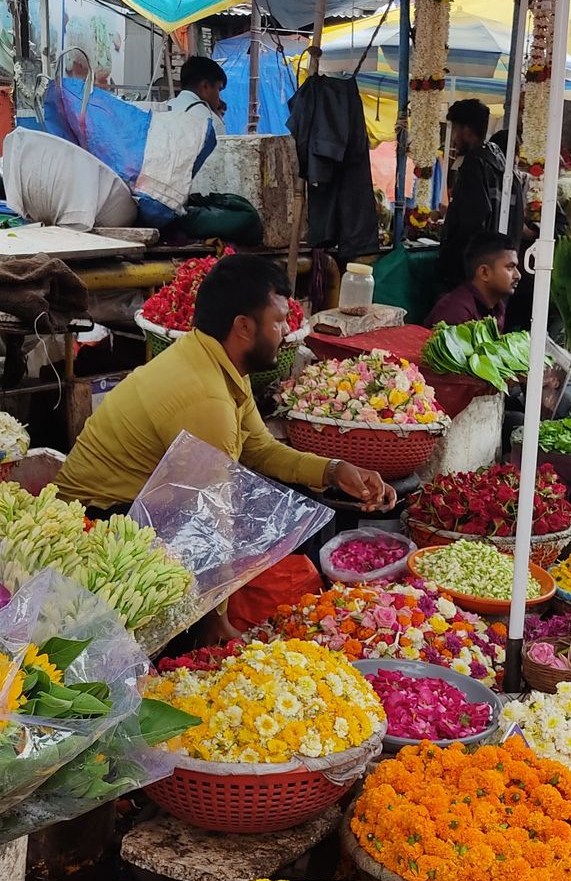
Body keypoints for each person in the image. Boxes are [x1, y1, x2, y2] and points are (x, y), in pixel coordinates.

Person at [55, 256, 396, 627]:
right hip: (101, 521)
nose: (286, 332)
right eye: (278, 321)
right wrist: (215, 620)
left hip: (149, 502)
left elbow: (259, 449)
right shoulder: (206, 397)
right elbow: (207, 518)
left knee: (304, 506)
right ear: (244, 327)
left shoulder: (216, 360)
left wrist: (333, 471)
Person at [438, 99, 524, 289]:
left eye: (455, 131)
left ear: (466, 130)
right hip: (498, 264)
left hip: (476, 271)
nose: (453, 139)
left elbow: (471, 220)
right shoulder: (504, 166)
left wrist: (450, 259)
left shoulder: (475, 164)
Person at [425, 232, 520, 329]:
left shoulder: (497, 308)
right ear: (484, 272)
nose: (518, 275)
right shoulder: (455, 311)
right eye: (510, 267)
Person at [167, 56, 227, 136]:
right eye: (219, 89)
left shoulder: (162, 110)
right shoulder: (211, 121)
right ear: (205, 86)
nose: (219, 99)